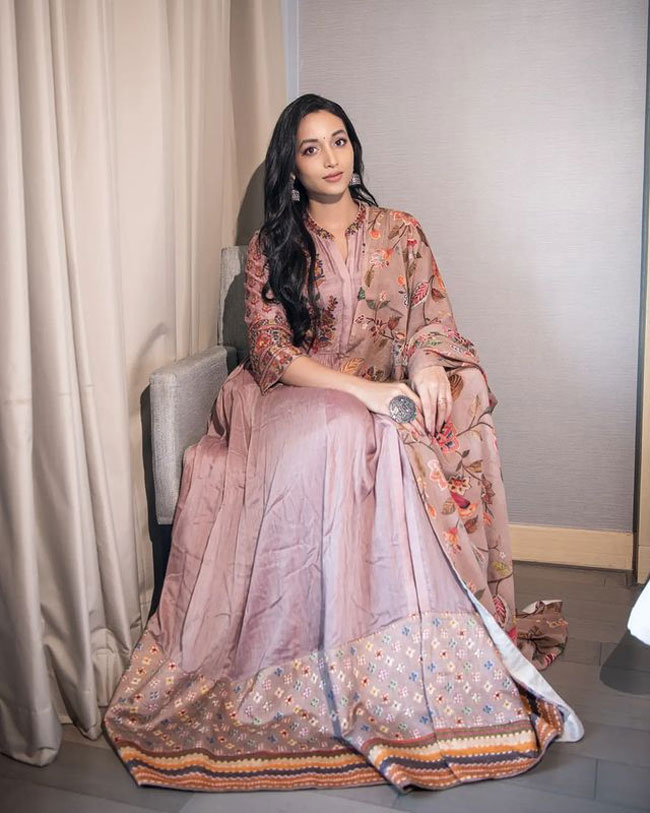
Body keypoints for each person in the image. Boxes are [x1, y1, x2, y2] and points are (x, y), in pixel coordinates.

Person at [102, 93, 583, 793]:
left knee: (435, 408)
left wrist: (425, 363)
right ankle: (312, 662)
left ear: (354, 147)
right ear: (291, 166)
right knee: (350, 426)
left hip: (383, 389)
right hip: (291, 397)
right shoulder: (273, 245)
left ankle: (425, 650)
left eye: (339, 141)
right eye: (311, 148)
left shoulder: (401, 231)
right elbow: (271, 353)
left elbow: (432, 320)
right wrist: (365, 393)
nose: (330, 158)